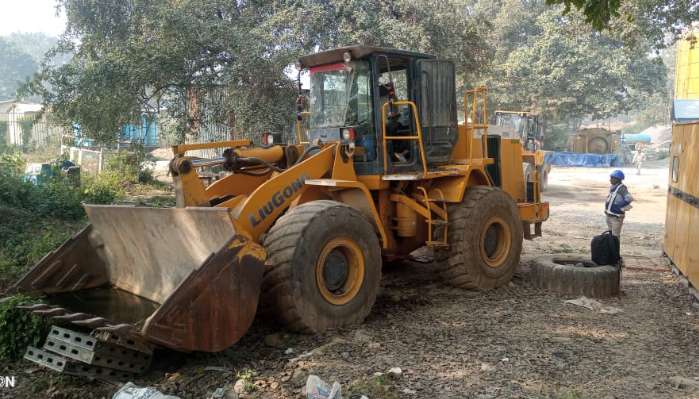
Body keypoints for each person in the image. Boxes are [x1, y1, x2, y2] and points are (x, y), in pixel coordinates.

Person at [605, 170, 633, 238]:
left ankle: (615, 248)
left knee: (615, 236)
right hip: (610, 215)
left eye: (612, 178)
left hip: (616, 217)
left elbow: (629, 198)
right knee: (610, 234)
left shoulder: (622, 189)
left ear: (617, 179)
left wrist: (619, 206)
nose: (610, 180)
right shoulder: (613, 187)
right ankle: (611, 247)